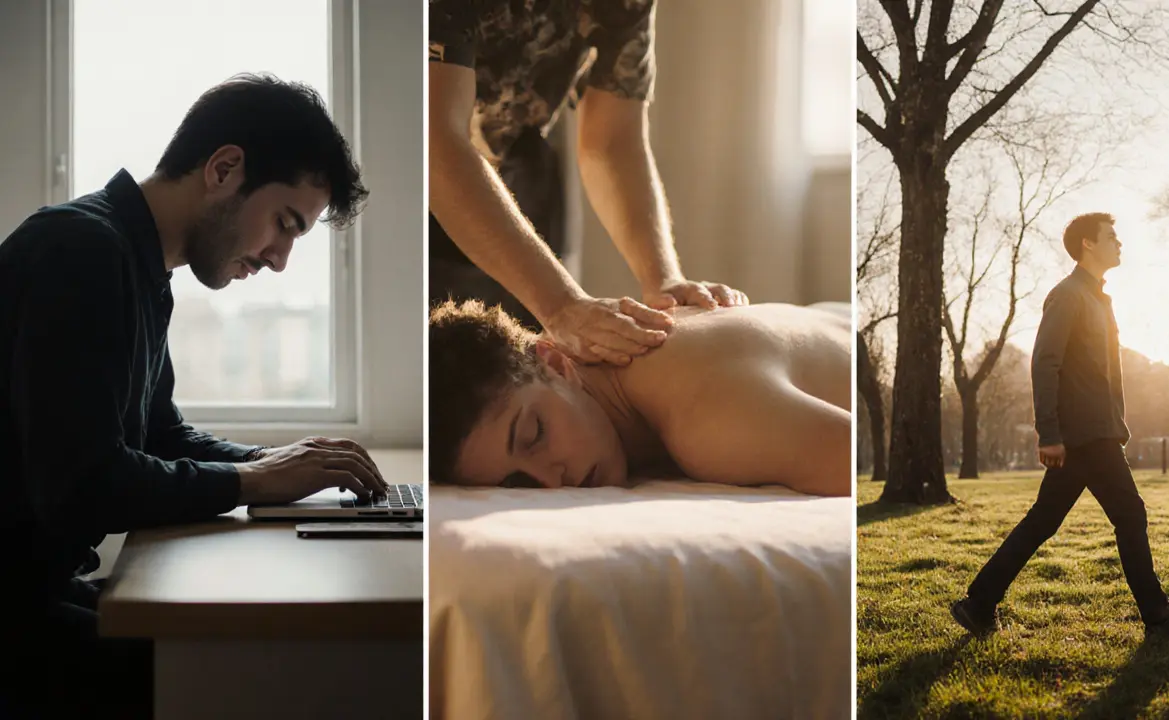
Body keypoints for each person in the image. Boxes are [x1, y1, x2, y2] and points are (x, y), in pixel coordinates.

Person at [0, 73, 390, 717]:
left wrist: (284, 464)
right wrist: (253, 483)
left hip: (38, 591)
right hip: (15, 613)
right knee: (264, 675)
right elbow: (85, 484)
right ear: (225, 169)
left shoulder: (139, 266)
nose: (280, 259)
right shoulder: (81, 251)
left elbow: (159, 436)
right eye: (284, 224)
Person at [428, 0, 749, 367]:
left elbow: (610, 143)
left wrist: (663, 283)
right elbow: (437, 144)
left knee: (548, 372)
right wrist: (561, 303)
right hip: (415, 199)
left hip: (521, 173)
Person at [950, 213, 1169, 640]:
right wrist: (1050, 432)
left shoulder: (1097, 299)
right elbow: (1045, 363)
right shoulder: (1068, 296)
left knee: (1043, 521)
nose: (1119, 243)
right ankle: (1159, 618)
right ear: (1088, 245)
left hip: (1096, 432)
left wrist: (1114, 427)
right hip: (1084, 436)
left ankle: (979, 602)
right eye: (1112, 236)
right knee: (1130, 515)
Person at [429, 299, 852, 497]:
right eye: (515, 483)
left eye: (534, 434)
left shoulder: (705, 422)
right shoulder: (618, 335)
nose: (551, 479)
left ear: (556, 365)